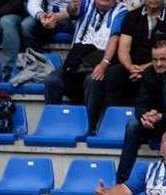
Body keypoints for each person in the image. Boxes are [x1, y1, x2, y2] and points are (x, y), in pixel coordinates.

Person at [116, 41, 166, 183]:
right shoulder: (148, 73)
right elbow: (140, 103)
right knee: (132, 125)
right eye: (155, 60)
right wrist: (145, 116)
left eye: (163, 59)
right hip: (157, 123)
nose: (159, 64)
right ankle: (122, 179)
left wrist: (162, 116)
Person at [43, 0, 126, 131]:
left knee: (93, 80)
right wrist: (55, 16)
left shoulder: (122, 11)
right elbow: (72, 12)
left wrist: (104, 63)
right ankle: (52, 123)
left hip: (100, 59)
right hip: (78, 60)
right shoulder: (86, 3)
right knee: (52, 80)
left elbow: (114, 38)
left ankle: (89, 126)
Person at [104, 0, 166, 108]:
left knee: (156, 76)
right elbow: (123, 49)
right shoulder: (131, 16)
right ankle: (114, 117)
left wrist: (144, 69)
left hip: (158, 66)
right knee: (112, 75)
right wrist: (130, 67)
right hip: (132, 66)